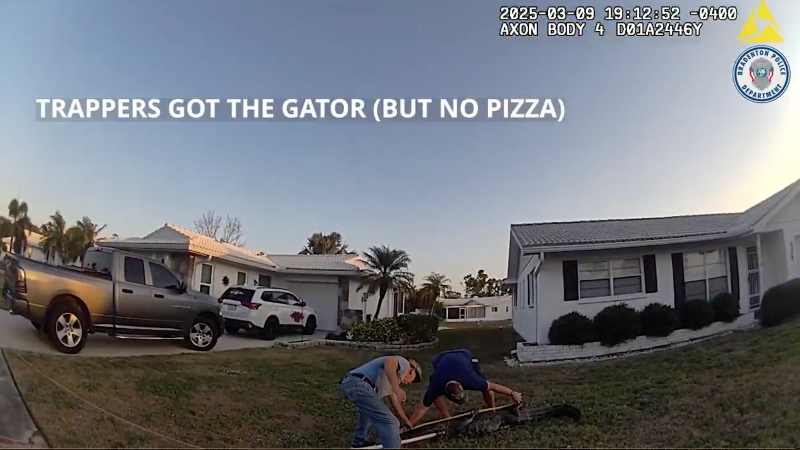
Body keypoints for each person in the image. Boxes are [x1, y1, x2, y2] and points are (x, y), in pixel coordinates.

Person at [408, 349, 523, 426]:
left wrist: (513, 393)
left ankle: (491, 410)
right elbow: (422, 408)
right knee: (434, 394)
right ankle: (447, 418)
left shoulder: (471, 378)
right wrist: (409, 425)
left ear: (461, 385)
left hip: (464, 355)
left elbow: (492, 386)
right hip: (440, 360)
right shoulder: (436, 383)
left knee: (485, 386)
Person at [341, 355, 422, 449]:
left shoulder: (392, 379)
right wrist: (396, 388)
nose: (407, 383)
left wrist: (405, 420)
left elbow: (394, 401)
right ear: (412, 372)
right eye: (411, 380)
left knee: (368, 413)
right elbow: (390, 362)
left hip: (351, 383)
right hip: (359, 383)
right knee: (391, 423)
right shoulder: (405, 364)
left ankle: (358, 444)